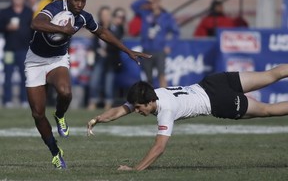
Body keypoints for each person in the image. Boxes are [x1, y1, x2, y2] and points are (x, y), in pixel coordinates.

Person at [25, 0, 151, 169]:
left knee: (66, 92)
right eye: (76, 0)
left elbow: (103, 32)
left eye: (83, 1)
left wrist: (127, 50)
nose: (79, 4)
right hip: (35, 61)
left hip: (57, 59)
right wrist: (62, 29)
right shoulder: (56, 7)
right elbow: (35, 23)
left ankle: (59, 115)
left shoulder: (83, 17)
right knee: (37, 113)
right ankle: (55, 152)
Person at [87, 64, 288, 171]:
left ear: (149, 103)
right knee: (270, 75)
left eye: (139, 108)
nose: (137, 111)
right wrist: (98, 118)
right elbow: (121, 109)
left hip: (220, 102)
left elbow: (159, 148)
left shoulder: (166, 110)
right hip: (214, 82)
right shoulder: (151, 92)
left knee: (268, 110)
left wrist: (135, 169)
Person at [131, 0, 180, 87]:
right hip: (146, 50)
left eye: (156, 1)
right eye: (152, 1)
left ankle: (166, 98)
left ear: (160, 2)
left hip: (160, 51)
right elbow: (133, 6)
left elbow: (176, 33)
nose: (154, 3)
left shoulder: (166, 16)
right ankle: (150, 99)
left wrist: (170, 46)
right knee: (148, 77)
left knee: (161, 75)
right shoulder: (145, 14)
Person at [87, 7, 127, 111]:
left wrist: (107, 50)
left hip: (111, 59)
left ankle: (108, 103)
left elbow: (117, 41)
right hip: (99, 57)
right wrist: (95, 51)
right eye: (103, 15)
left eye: (107, 15)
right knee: (94, 81)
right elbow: (94, 42)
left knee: (109, 83)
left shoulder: (115, 27)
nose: (105, 17)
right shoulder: (96, 26)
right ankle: (93, 101)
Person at [0, 0, 33, 108]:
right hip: (9, 49)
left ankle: (24, 100)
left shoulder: (28, 12)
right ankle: (7, 100)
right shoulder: (5, 12)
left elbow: (32, 30)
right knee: (7, 76)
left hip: (24, 49)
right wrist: (7, 27)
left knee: (24, 76)